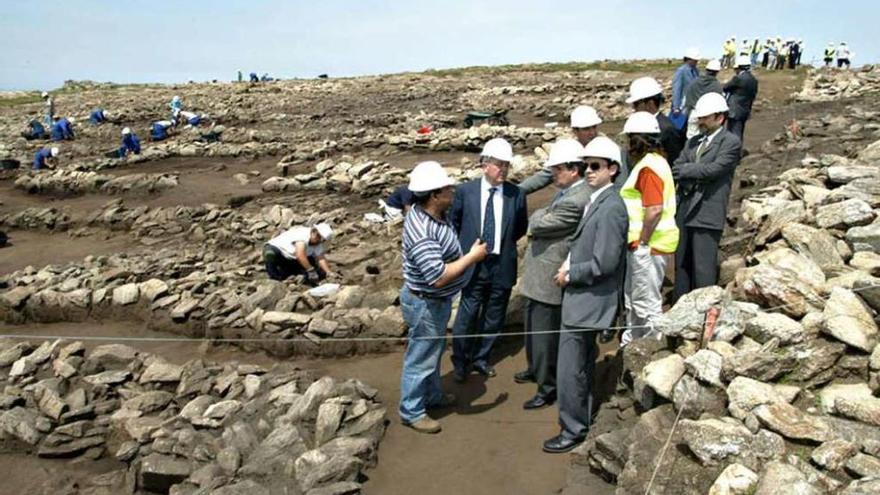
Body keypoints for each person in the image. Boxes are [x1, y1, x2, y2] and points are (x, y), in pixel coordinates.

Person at [544, 136, 628, 454]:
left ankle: (573, 429)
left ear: (612, 169)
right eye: (585, 166)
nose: (588, 171)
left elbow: (605, 262)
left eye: (595, 166)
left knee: (571, 369)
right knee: (580, 365)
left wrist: (570, 273)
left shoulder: (610, 208)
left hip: (588, 301)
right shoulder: (599, 200)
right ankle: (582, 419)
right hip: (584, 299)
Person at [398, 161, 488, 434]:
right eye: (448, 187)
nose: (453, 190)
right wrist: (471, 258)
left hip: (434, 300)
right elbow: (437, 276)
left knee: (432, 351)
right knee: (421, 356)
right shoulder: (423, 231)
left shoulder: (432, 213)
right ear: (434, 195)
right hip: (426, 301)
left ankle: (432, 396)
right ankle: (411, 411)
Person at [517, 139, 593, 410]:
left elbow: (539, 223)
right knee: (534, 329)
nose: (552, 174)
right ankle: (536, 371)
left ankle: (546, 386)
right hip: (540, 275)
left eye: (557, 169)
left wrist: (537, 217)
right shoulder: (567, 192)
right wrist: (540, 216)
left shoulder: (576, 199)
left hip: (550, 276)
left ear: (574, 169)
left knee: (544, 337)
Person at [448, 138, 528, 382]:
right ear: (485, 165)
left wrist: (500, 248)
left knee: (494, 314)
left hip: (501, 263)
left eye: (506, 165)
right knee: (467, 313)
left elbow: (519, 228)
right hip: (473, 263)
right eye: (498, 165)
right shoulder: (465, 192)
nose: (503, 169)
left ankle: (482, 358)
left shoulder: (516, 194)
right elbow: (455, 223)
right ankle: (460, 361)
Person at [672, 93, 742, 301]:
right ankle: (680, 308)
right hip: (685, 208)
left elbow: (715, 170)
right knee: (682, 263)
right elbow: (677, 168)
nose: (700, 122)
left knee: (703, 268)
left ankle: (704, 313)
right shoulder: (693, 142)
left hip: (707, 211)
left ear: (719, 118)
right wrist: (693, 171)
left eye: (704, 118)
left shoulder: (730, 142)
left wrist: (689, 170)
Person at [619, 113, 679, 345]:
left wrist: (642, 240)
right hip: (650, 244)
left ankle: (653, 346)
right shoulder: (658, 162)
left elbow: (653, 209)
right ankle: (633, 342)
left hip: (648, 245)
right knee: (636, 299)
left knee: (646, 302)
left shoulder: (648, 168)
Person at [519, 105, 629, 191]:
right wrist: (516, 191)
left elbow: (621, 183)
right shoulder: (570, 151)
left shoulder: (610, 149)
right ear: (575, 131)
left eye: (594, 127)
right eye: (586, 129)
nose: (592, 132)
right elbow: (546, 175)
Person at [626, 76, 684, 163]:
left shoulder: (667, 129)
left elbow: (675, 161)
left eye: (636, 104)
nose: (634, 108)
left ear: (650, 104)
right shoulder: (639, 126)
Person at [263, 223, 334, 284]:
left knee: (317, 269)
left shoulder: (317, 243)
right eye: (318, 236)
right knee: (269, 254)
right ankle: (276, 279)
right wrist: (310, 269)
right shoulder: (303, 235)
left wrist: (329, 272)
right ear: (314, 231)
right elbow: (300, 255)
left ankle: (291, 275)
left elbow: (320, 258)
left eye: (321, 239)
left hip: (291, 259)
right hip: (279, 251)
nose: (319, 240)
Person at [684, 59, 724, 139]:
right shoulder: (717, 86)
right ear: (717, 72)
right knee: (705, 138)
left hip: (694, 113)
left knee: (691, 138)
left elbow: (688, 96)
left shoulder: (695, 82)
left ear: (706, 70)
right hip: (708, 116)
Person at [723, 56, 759, 142]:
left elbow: (725, 87)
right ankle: (737, 151)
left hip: (735, 111)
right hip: (745, 110)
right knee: (739, 132)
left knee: (733, 133)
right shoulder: (753, 80)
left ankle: (733, 153)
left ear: (739, 67)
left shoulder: (738, 78)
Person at [671, 48, 700, 128]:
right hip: (682, 106)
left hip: (692, 105)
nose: (697, 62)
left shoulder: (696, 71)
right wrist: (676, 107)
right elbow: (677, 89)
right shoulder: (681, 71)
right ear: (689, 59)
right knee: (679, 128)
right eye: (695, 60)